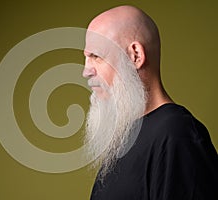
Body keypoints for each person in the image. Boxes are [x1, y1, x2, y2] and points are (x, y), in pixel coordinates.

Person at [82, 5, 218, 199]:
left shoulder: (176, 135)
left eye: (96, 56)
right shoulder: (125, 137)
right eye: (86, 58)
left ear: (135, 55)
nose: (86, 71)